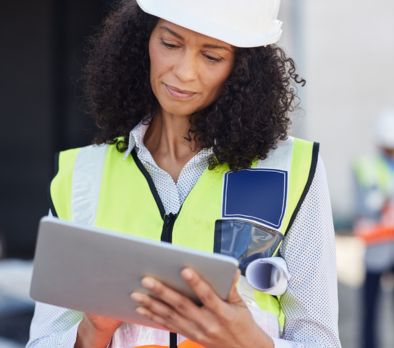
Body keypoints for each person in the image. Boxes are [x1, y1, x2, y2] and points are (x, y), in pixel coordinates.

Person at [26, 1, 341, 347]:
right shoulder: (84, 176)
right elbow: (44, 339)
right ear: (143, 39)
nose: (184, 72)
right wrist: (92, 331)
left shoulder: (292, 170)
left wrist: (251, 342)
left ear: (242, 67)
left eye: (212, 56)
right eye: (170, 44)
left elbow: (319, 340)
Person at [353, 108, 394, 348]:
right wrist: (388, 201)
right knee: (370, 311)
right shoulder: (364, 166)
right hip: (376, 250)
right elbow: (364, 205)